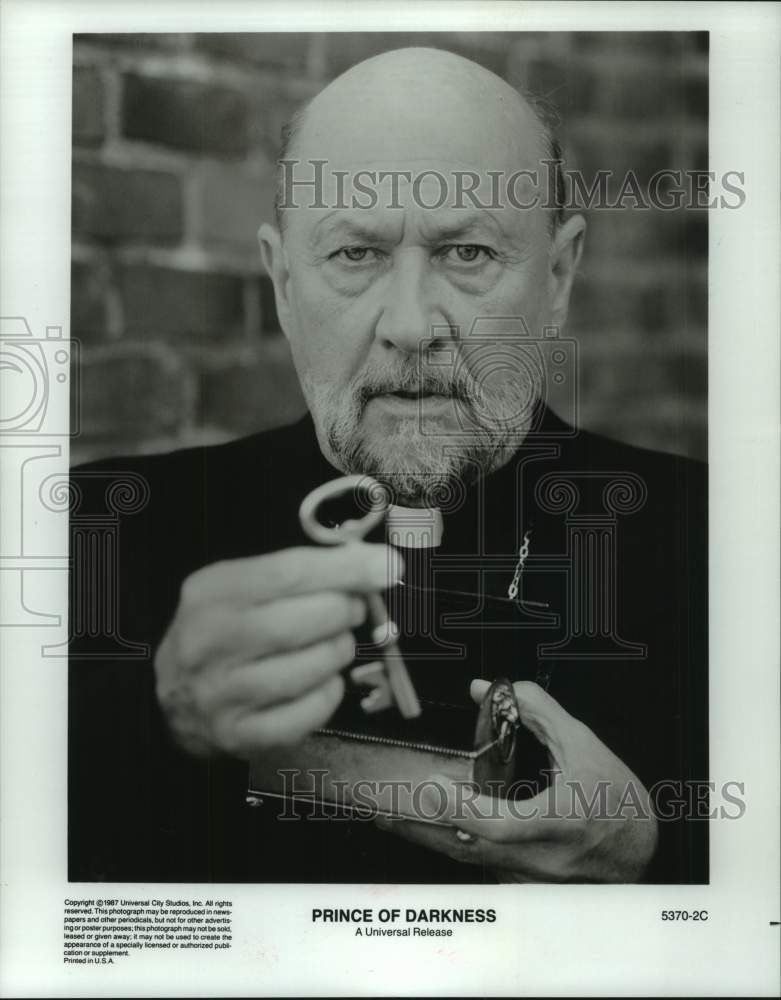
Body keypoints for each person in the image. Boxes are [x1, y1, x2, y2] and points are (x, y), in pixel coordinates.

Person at [68, 47, 707, 884]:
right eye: (354, 255)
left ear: (556, 277)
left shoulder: (723, 543)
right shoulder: (100, 534)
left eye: (468, 253)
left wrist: (655, 851)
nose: (410, 325)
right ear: (282, 283)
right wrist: (159, 717)